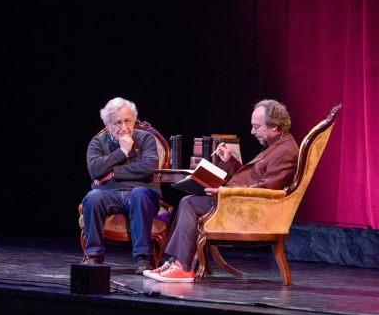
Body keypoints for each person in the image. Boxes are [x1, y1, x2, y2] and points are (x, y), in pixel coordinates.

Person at [144, 99, 299, 282]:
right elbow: (254, 178)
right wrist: (230, 161)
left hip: (249, 210)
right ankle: (176, 262)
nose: (252, 132)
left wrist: (224, 192)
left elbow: (267, 189)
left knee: (190, 203)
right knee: (190, 199)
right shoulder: (276, 145)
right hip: (238, 200)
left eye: (256, 127)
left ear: (274, 126)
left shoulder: (286, 150)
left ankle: (183, 268)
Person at [81, 97, 162, 274]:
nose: (124, 128)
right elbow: (95, 171)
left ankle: (143, 258)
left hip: (142, 193)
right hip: (110, 194)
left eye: (128, 121)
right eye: (117, 123)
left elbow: (150, 167)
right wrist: (122, 152)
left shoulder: (146, 138)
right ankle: (94, 255)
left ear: (133, 121)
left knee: (139, 193)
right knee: (92, 197)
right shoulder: (98, 143)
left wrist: (112, 173)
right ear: (107, 124)